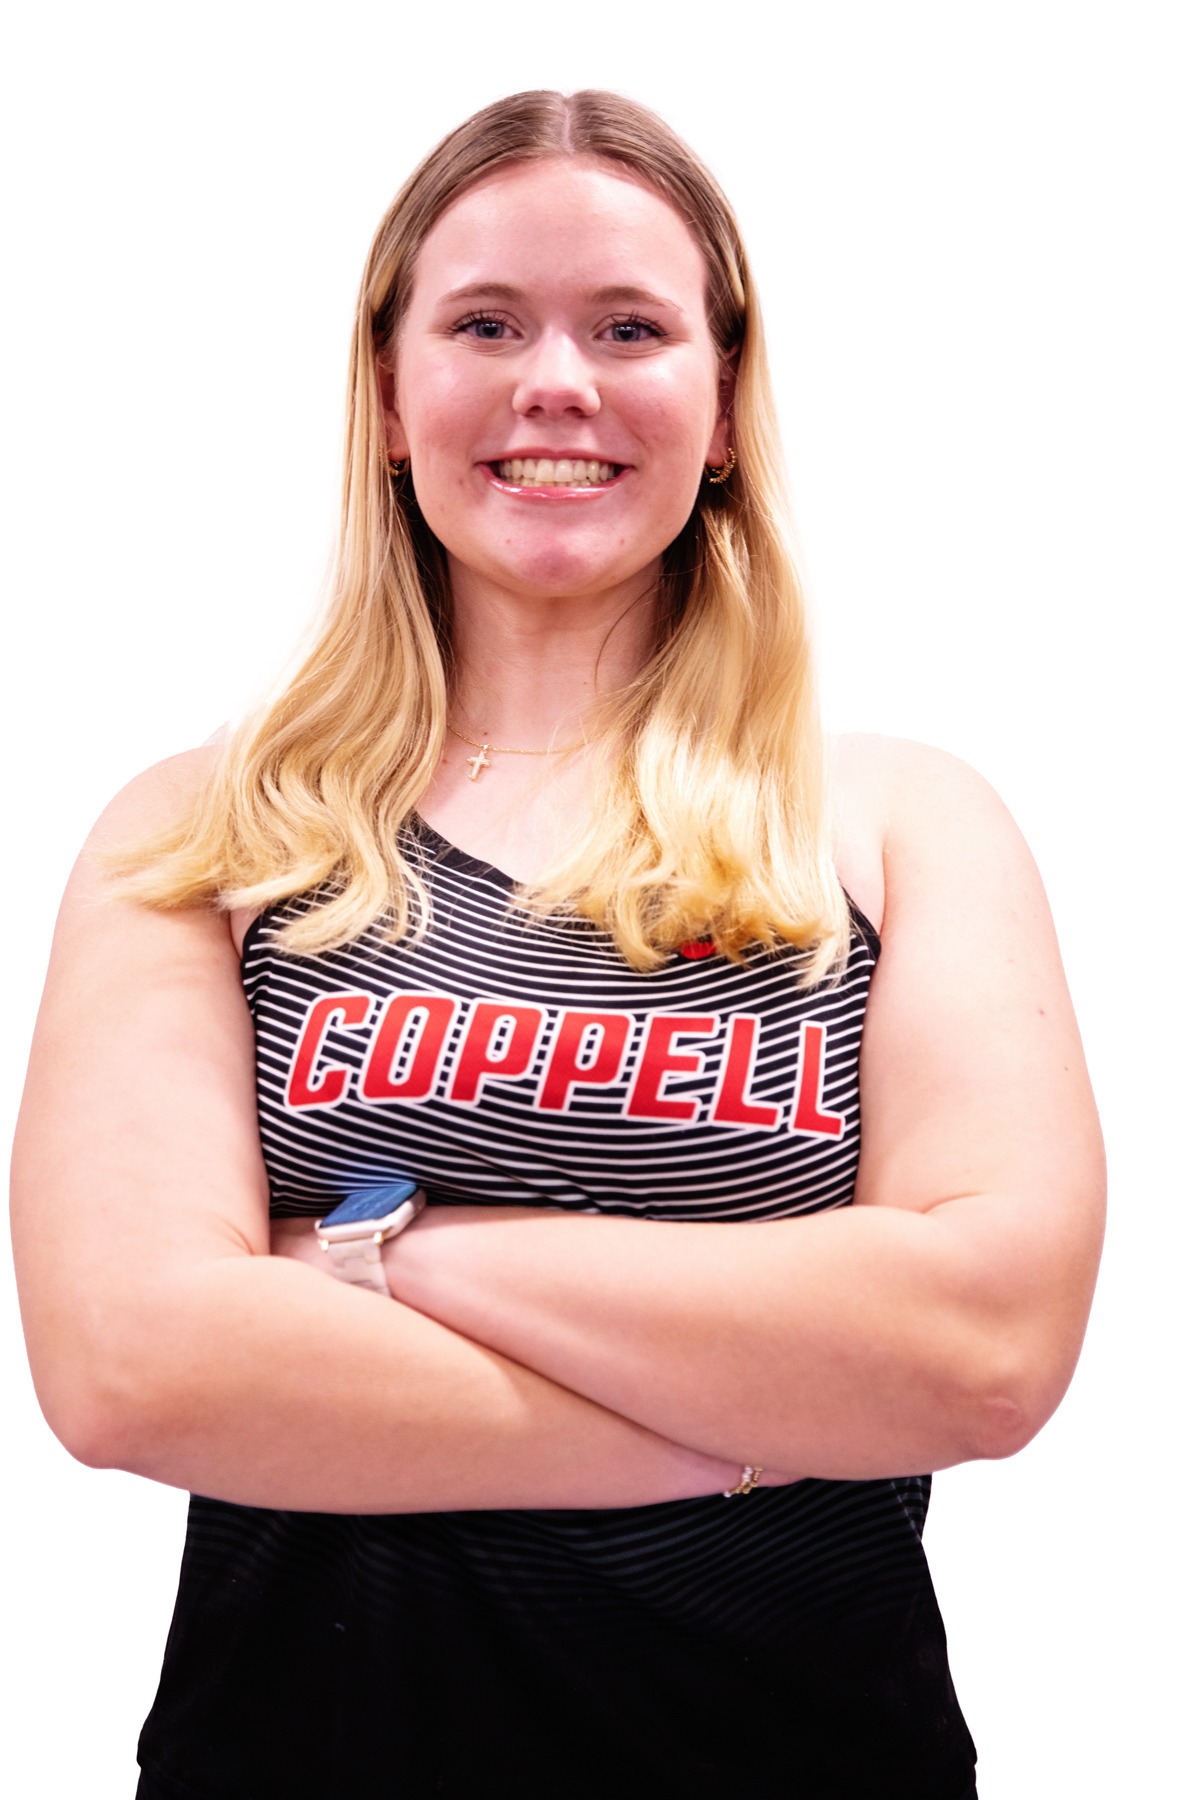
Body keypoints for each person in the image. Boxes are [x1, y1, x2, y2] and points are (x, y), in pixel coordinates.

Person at [11, 89, 1104, 1799]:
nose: (558, 384)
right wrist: (748, 1422)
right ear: (389, 397)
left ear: (723, 403)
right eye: (486, 324)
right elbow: (131, 1366)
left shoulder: (897, 825)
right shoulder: (209, 838)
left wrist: (372, 1248)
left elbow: (979, 1349)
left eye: (630, 328)